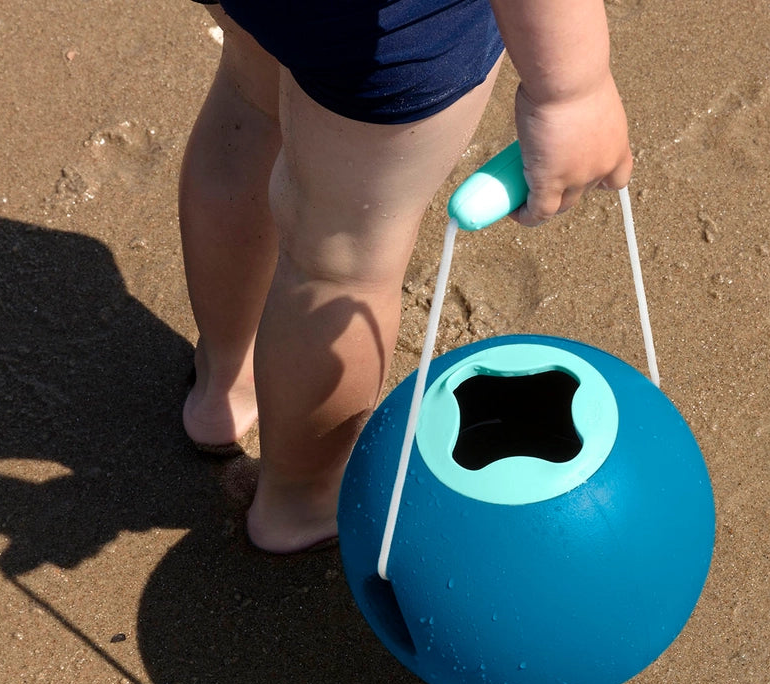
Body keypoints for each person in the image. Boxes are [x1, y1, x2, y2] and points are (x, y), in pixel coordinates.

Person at [179, 0, 633, 553]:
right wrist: (572, 90)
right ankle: (300, 499)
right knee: (340, 262)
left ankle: (225, 379)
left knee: (250, 103)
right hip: (385, 23)